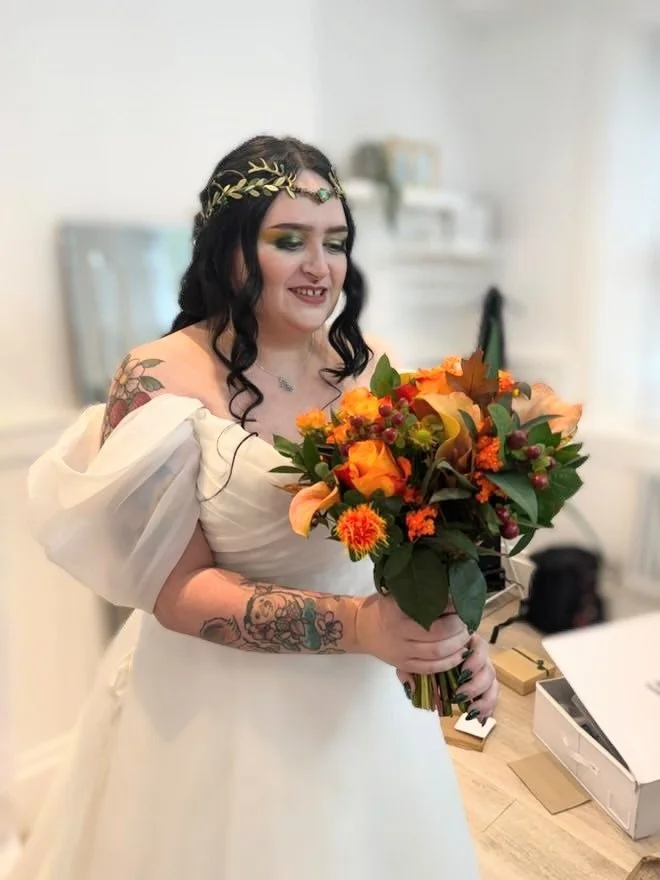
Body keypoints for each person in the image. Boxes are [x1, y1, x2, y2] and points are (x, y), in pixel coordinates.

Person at [16, 135, 498, 880]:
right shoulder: (159, 377)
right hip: (214, 716)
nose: (320, 266)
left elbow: (411, 537)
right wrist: (363, 625)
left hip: (361, 708)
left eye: (335, 242)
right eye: (289, 240)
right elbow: (175, 592)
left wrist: (452, 635)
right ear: (230, 248)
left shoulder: (370, 370)